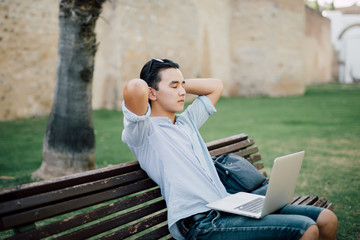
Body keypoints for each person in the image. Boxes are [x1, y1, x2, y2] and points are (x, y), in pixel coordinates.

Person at [121, 58, 338, 240]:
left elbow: (216, 86)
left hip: (228, 205)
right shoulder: (144, 133)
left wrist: (178, 81)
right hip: (203, 223)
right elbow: (134, 88)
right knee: (306, 230)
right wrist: (155, 72)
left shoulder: (187, 122)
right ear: (151, 93)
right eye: (174, 86)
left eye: (183, 86)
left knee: (327, 220)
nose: (183, 92)